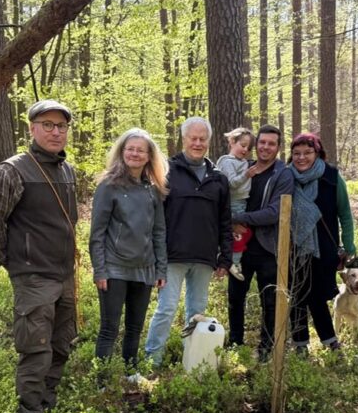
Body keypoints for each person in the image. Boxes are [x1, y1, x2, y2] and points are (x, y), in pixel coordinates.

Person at [0, 100, 78, 413]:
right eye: (48, 125)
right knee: (35, 349)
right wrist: (10, 265)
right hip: (33, 277)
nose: (56, 132)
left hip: (65, 276)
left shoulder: (67, 171)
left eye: (61, 126)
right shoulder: (12, 171)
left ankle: (48, 403)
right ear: (32, 128)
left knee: (61, 345)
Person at [144, 117, 232, 367]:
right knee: (166, 309)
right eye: (193, 138)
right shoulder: (167, 171)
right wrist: (155, 255)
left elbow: (225, 220)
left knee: (197, 314)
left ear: (209, 141)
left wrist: (225, 257)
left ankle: (192, 361)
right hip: (172, 255)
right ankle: (153, 359)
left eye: (202, 139)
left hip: (205, 257)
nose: (197, 143)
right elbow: (155, 218)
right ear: (184, 139)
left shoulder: (218, 178)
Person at [90, 129, 168, 375]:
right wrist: (100, 269)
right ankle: (102, 381)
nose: (135, 154)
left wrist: (160, 268)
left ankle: (130, 373)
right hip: (114, 268)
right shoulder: (108, 186)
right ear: (122, 152)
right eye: (130, 149)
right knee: (109, 328)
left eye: (140, 150)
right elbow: (97, 233)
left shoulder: (152, 190)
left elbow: (159, 232)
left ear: (148, 156)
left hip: (144, 270)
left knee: (135, 327)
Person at [227, 124, 294, 360]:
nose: (265, 147)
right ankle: (235, 342)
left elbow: (275, 212)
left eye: (271, 143)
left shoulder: (283, 174)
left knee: (270, 299)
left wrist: (238, 218)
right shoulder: (244, 167)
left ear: (278, 147)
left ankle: (266, 347)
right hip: (240, 246)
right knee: (235, 296)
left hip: (267, 247)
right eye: (262, 142)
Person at [287, 132, 356, 353]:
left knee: (316, 295)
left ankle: (328, 340)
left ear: (318, 153)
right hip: (292, 247)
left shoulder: (332, 177)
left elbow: (344, 214)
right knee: (297, 294)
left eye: (308, 152)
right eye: (296, 153)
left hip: (324, 247)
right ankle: (300, 344)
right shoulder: (285, 177)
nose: (301, 157)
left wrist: (349, 246)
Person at [215, 127, 255, 281]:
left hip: (243, 202)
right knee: (239, 234)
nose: (245, 150)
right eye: (243, 145)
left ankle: (228, 257)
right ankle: (234, 262)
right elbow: (231, 183)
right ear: (232, 141)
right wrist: (246, 175)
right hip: (233, 202)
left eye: (249, 148)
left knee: (245, 233)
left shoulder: (242, 162)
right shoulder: (226, 162)